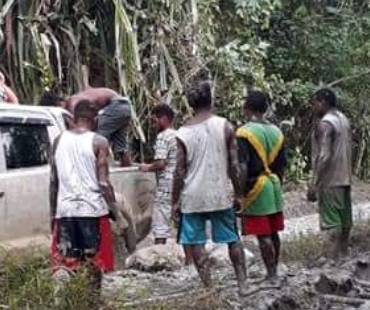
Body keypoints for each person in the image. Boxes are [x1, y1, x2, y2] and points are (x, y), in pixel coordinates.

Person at [172, 81, 248, 294]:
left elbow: (179, 171)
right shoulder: (225, 126)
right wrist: (239, 193)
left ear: (190, 104)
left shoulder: (182, 133)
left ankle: (209, 289)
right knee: (233, 237)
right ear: (210, 100)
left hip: (192, 196)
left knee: (196, 242)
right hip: (219, 193)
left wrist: (175, 200)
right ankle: (242, 283)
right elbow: (234, 165)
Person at [49, 100, 120, 292]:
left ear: (74, 118)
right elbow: (104, 182)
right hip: (92, 212)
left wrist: (53, 216)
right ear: (95, 119)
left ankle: (66, 298)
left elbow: (54, 182)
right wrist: (116, 213)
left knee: (67, 261)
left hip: (65, 212)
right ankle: (92, 305)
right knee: (93, 264)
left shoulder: (58, 141)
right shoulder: (99, 142)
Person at [236, 91, 287, 283]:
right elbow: (282, 164)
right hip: (274, 185)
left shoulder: (244, 132)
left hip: (256, 187)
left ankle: (272, 274)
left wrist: (239, 194)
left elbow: (241, 165)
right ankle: (274, 270)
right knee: (273, 232)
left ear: (247, 108)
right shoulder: (277, 132)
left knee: (263, 234)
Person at [307, 88, 354, 261]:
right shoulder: (343, 119)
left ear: (323, 102)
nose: (313, 107)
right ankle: (343, 257)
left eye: (315, 103)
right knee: (344, 222)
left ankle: (332, 261)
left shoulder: (325, 124)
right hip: (345, 178)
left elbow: (324, 154)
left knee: (332, 223)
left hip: (330, 180)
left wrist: (314, 182)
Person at [139, 104, 178, 245]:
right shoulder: (178, 135)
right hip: (179, 182)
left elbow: (160, 163)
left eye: (155, 121)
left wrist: (147, 167)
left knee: (161, 221)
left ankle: (159, 252)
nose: (153, 125)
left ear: (164, 118)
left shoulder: (163, 137)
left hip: (166, 183)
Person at [65, 87, 134, 167]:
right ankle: (127, 169)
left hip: (116, 105)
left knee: (96, 139)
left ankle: (98, 168)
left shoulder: (72, 101)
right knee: (121, 146)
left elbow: (75, 125)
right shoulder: (84, 97)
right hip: (126, 106)